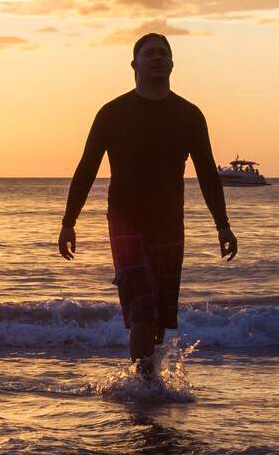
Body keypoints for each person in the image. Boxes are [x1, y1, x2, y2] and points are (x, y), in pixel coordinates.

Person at [59, 33, 238, 374]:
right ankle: (142, 385)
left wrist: (223, 224)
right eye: (149, 53)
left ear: (171, 63)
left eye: (163, 53)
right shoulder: (113, 113)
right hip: (125, 223)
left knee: (159, 317)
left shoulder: (188, 115)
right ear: (134, 64)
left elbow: (207, 175)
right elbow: (86, 167)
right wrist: (69, 221)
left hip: (170, 223)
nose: (157, 57)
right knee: (142, 308)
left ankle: (148, 384)